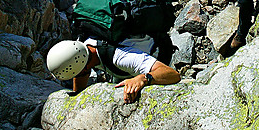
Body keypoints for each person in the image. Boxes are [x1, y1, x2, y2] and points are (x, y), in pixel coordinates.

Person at [47, 36, 181, 104]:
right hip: (119, 68)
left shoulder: (122, 58)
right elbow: (81, 73)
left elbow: (173, 74)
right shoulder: (83, 46)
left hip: (155, 55)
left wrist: (142, 79)